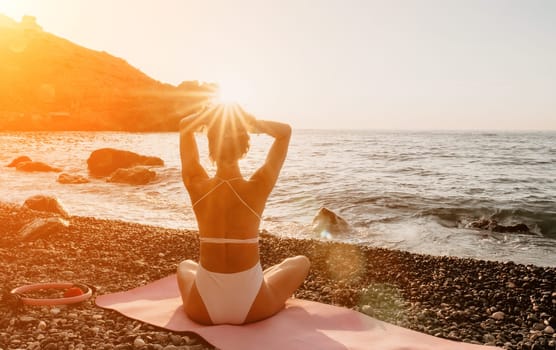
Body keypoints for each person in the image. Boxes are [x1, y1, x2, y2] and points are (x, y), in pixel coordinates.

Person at [176, 103, 310, 325]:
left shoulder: (196, 184)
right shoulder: (258, 186)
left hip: (202, 310)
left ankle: (255, 281)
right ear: (244, 148)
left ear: (211, 148)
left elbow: (184, 127)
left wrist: (209, 116)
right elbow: (284, 132)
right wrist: (249, 122)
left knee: (185, 265)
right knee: (300, 261)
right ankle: (258, 280)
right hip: (253, 307)